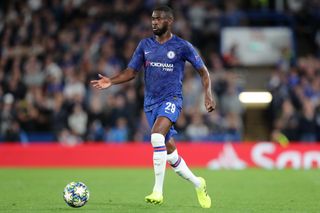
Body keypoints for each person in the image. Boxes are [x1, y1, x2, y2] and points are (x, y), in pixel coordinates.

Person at [91, 5, 215, 208]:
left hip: (172, 99)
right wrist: (111, 81)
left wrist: (208, 95)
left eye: (158, 19)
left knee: (156, 136)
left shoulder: (182, 46)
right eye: (152, 19)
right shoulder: (145, 45)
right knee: (171, 155)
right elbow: (131, 72)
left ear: (169, 21)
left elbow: (203, 71)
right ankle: (198, 183)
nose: (154, 22)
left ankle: (157, 191)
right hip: (150, 104)